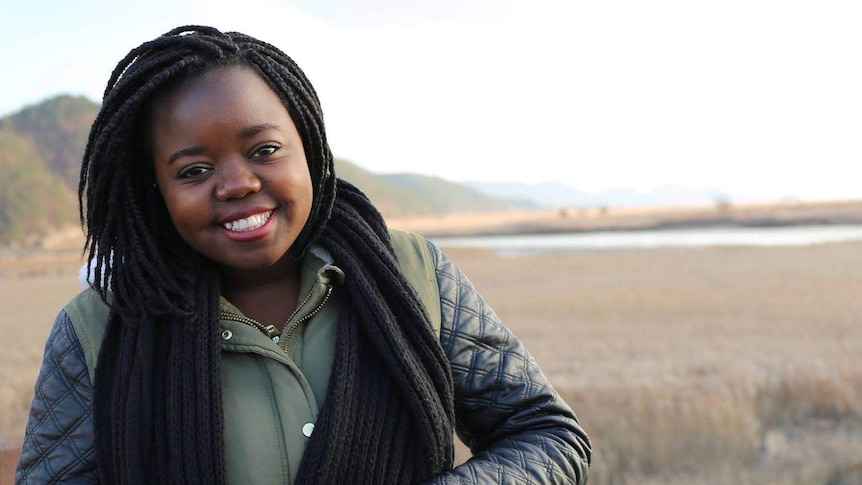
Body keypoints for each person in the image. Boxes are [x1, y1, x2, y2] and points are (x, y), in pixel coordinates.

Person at [16, 26, 591, 484]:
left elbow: (545, 433)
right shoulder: (96, 330)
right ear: (155, 193)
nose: (237, 184)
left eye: (264, 149)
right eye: (194, 170)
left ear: (308, 148)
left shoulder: (415, 275)